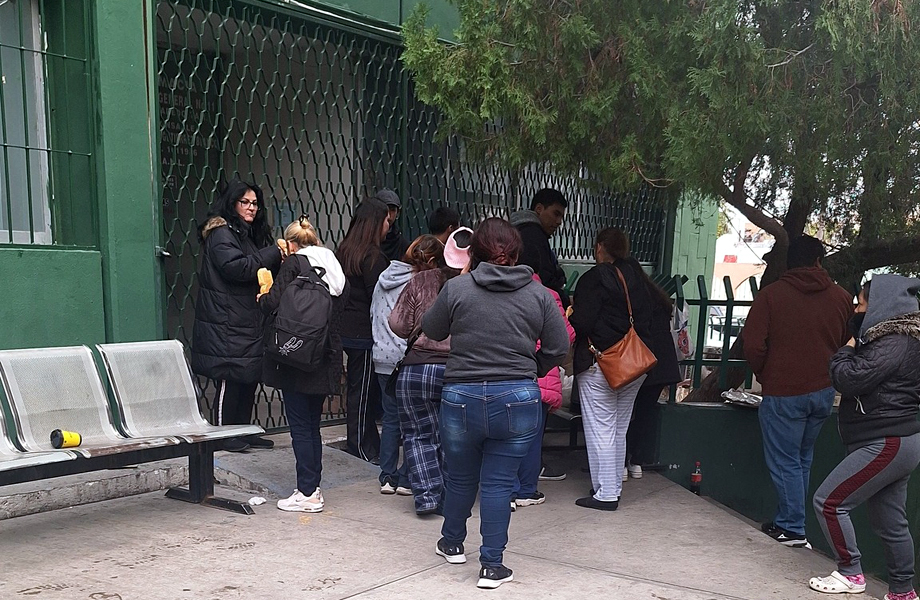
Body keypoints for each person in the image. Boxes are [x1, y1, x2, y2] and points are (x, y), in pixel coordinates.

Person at [422, 218, 569, 589]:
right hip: (517, 397)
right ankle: (491, 566)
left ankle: (452, 543)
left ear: (473, 252)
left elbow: (433, 329)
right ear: (517, 252)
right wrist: (533, 367)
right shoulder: (538, 294)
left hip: (461, 397)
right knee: (499, 483)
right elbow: (559, 346)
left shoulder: (458, 288)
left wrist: (463, 281)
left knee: (460, 476)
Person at [809, 276, 920, 600]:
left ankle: (849, 572)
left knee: (829, 502)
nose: (857, 309)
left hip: (885, 440)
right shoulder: (904, 340)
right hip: (900, 439)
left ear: (881, 305)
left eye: (861, 303)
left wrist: (848, 347)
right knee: (890, 521)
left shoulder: (893, 342)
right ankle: (902, 591)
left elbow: (848, 378)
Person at [743, 234, 852, 547]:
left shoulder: (771, 296)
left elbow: (753, 344)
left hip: (783, 390)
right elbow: (847, 336)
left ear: (790, 262)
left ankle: (792, 527)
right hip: (823, 390)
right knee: (802, 459)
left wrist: (765, 372)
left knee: (786, 460)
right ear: (818, 261)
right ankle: (789, 522)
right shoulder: (842, 297)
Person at [259, 216, 347, 513]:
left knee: (300, 426)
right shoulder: (333, 267)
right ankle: (313, 486)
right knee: (312, 425)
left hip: (296, 354)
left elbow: (273, 303)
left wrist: (262, 295)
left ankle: (307, 492)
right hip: (325, 354)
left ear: (291, 243)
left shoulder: (295, 264)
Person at [191, 178, 283, 452]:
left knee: (247, 377)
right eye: (245, 202)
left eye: (255, 203)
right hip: (226, 322)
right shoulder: (221, 234)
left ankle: (243, 430)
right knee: (229, 379)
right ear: (232, 203)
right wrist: (272, 254)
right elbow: (237, 269)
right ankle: (222, 434)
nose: (251, 208)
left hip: (245, 319)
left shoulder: (246, 234)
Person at [569, 227, 653, 511]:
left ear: (600, 247)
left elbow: (582, 322)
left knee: (600, 428)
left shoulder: (595, 279)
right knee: (618, 428)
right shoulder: (638, 278)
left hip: (601, 362)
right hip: (634, 362)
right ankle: (612, 484)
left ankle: (606, 493)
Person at [388, 227, 472, 516]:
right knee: (455, 437)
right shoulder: (473, 286)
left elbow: (398, 324)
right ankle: (450, 498)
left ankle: (425, 496)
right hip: (457, 370)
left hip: (417, 368)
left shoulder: (421, 279)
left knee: (417, 434)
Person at [371, 234, 444, 496]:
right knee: (415, 424)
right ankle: (405, 478)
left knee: (391, 419)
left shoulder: (384, 277)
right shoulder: (425, 282)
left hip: (381, 355)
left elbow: (376, 314)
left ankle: (387, 477)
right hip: (410, 358)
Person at [511, 273, 575, 510]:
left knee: (506, 437)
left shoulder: (500, 292)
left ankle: (507, 489)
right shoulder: (548, 295)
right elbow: (566, 336)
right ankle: (526, 490)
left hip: (508, 374)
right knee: (532, 438)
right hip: (541, 376)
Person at [335, 198, 391, 462]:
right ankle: (360, 446)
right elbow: (377, 297)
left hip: (344, 328)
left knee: (358, 390)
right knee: (364, 393)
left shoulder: (344, 250)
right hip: (364, 334)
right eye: (387, 222)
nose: (389, 227)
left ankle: (365, 443)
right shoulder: (372, 256)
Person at [625, 276, 682, 480]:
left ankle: (621, 462)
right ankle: (636, 462)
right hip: (661, 364)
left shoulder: (632, 298)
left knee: (624, 413)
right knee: (645, 414)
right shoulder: (660, 299)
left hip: (638, 362)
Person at [509, 188, 569, 307]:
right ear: (539, 209)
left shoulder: (517, 231)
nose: (559, 222)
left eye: (561, 216)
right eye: (556, 214)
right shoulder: (534, 236)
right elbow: (545, 279)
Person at [377, 189, 410, 262]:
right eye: (385, 209)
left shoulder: (401, 244)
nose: (389, 214)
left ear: (397, 213)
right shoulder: (365, 239)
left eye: (392, 210)